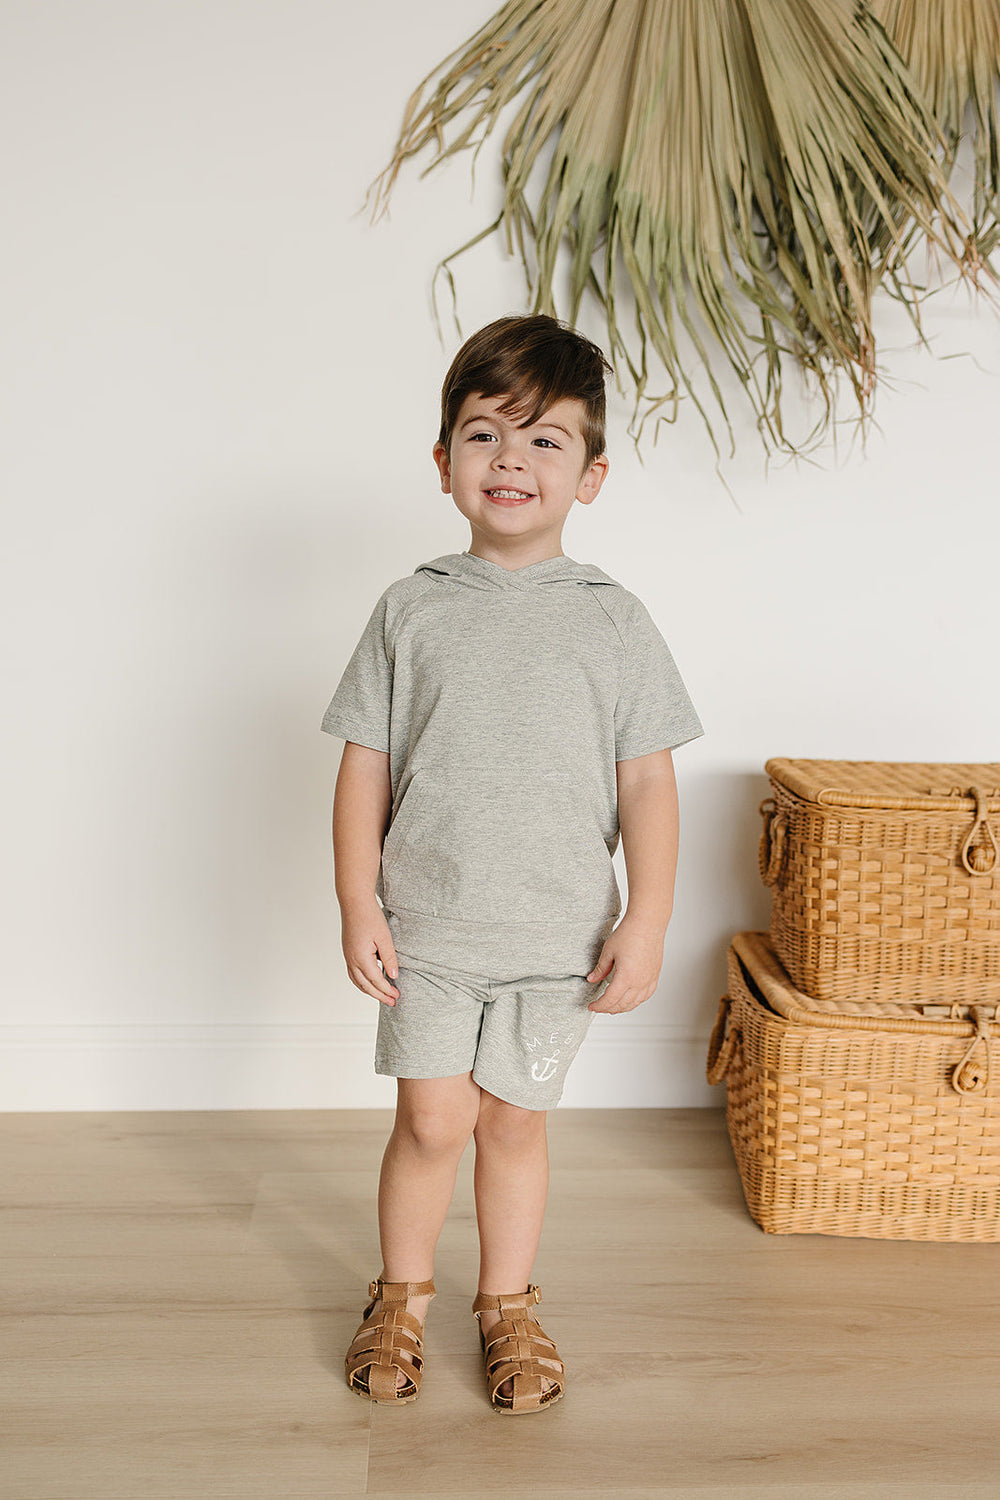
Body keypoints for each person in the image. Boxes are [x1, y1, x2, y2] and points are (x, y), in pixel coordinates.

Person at [321, 313, 703, 1414]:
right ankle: (401, 1292)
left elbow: (647, 782)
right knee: (432, 1122)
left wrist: (647, 919)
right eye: (486, 434)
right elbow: (363, 766)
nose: (512, 460)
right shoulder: (410, 608)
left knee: (513, 1122)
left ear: (591, 475)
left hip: (557, 936)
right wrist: (357, 901)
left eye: (545, 440)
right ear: (445, 461)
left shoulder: (614, 621)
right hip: (431, 930)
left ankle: (507, 1305)